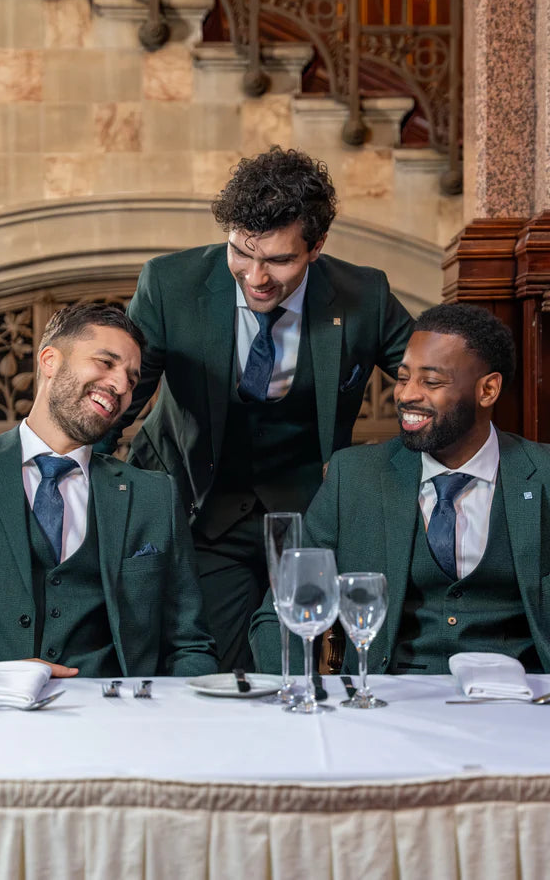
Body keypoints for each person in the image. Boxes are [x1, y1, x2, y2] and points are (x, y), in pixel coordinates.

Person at [98, 147, 414, 671]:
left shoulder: (365, 295)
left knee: (293, 663)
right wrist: (75, 471)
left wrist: (383, 476)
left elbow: (430, 381)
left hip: (307, 519)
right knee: (214, 664)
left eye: (280, 259)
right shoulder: (169, 284)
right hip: (200, 507)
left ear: (317, 246)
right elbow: (120, 396)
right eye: (242, 252)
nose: (256, 276)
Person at [250, 303, 550, 674]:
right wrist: (307, 700)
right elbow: (280, 611)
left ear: (488, 389)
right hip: (388, 701)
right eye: (404, 377)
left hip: (524, 705)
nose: (406, 394)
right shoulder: (354, 477)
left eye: (431, 381)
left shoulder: (544, 474)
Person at [0, 302, 217, 681]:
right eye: (106, 363)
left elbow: (189, 643)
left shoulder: (153, 496)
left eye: (132, 378)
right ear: (49, 360)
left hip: (114, 721)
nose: (122, 386)